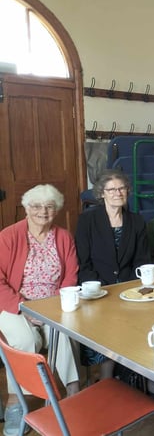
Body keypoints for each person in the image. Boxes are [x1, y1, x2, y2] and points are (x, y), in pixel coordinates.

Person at [75, 170, 154, 400]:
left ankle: (148, 378)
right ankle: (107, 380)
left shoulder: (136, 220)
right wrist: (99, 289)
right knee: (105, 320)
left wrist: (135, 288)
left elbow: (142, 259)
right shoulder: (87, 219)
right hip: (97, 287)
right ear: (102, 194)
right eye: (112, 190)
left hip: (129, 286)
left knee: (151, 316)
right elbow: (84, 261)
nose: (118, 193)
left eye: (122, 189)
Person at [0, 184, 80, 434]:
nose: (42, 212)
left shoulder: (64, 237)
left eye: (49, 206)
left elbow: (70, 277)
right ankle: (16, 403)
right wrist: (22, 307)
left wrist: (55, 307)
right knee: (24, 340)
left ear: (56, 210)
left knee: (66, 334)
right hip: (16, 305)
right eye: (36, 206)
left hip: (52, 305)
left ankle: (73, 395)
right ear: (26, 208)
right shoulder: (9, 236)